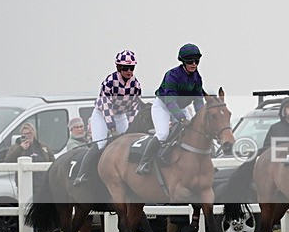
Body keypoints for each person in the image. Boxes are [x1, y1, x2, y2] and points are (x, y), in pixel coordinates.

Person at [74, 50, 142, 185]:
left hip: (121, 115)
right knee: (101, 144)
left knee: (127, 144)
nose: (129, 71)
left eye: (132, 68)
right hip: (102, 115)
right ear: (118, 67)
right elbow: (106, 107)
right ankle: (82, 174)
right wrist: (112, 128)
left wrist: (132, 127)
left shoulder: (136, 84)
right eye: (125, 68)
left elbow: (135, 107)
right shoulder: (109, 82)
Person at [137, 44, 205, 175]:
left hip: (180, 108)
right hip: (163, 106)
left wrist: (201, 118)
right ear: (183, 62)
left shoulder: (197, 78)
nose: (194, 64)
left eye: (197, 61)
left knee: (194, 131)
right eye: (190, 61)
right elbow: (170, 102)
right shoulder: (172, 75)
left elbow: (198, 102)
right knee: (163, 134)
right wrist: (183, 119)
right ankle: (144, 162)